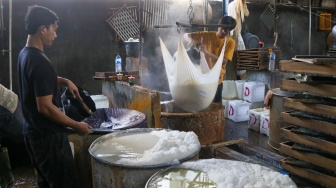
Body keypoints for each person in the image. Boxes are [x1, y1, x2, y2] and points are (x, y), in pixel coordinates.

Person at [17, 5, 92, 188]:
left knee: (46, 182)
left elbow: (38, 80)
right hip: (48, 137)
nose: (55, 35)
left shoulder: (25, 54)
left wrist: (64, 80)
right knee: (64, 183)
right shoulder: (39, 61)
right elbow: (45, 107)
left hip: (32, 133)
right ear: (43, 29)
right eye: (53, 29)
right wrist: (76, 125)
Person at [183, 16, 236, 103]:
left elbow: (224, 61)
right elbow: (186, 35)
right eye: (223, 28)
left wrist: (206, 52)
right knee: (202, 104)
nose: (224, 31)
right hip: (203, 78)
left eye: (227, 30)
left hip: (217, 81)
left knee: (216, 106)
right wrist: (192, 41)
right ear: (219, 25)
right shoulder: (207, 35)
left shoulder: (230, 42)